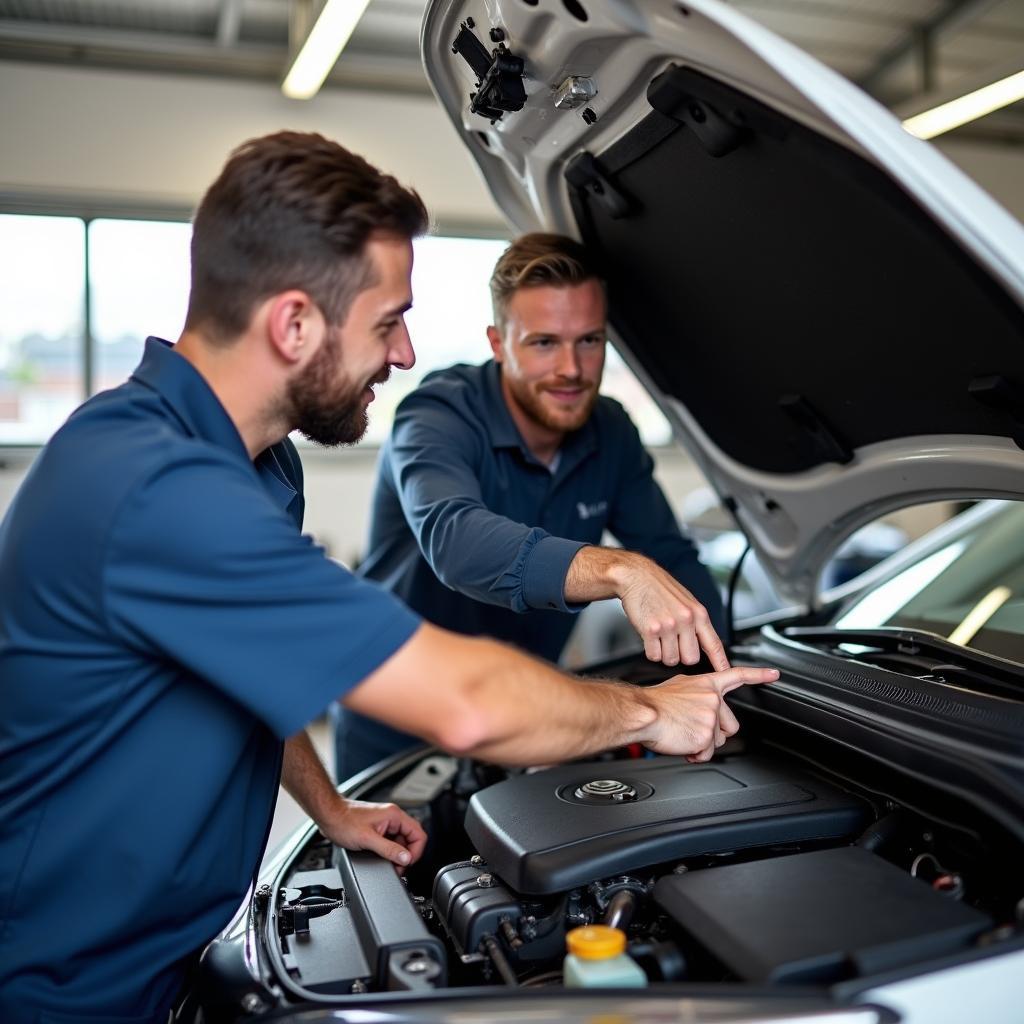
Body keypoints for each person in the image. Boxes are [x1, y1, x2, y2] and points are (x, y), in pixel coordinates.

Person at [0, 132, 776, 1024]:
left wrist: (327, 806)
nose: (405, 353)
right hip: (62, 988)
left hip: (169, 952)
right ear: (294, 324)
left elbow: (249, 665)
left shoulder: (259, 466)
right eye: (386, 321)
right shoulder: (154, 486)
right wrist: (653, 710)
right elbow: (469, 702)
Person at [333, 233, 727, 780]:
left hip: (526, 715)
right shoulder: (438, 413)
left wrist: (722, 668)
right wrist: (620, 570)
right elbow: (456, 541)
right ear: (499, 343)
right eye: (544, 343)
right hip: (398, 721)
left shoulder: (610, 430)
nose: (571, 368)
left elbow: (668, 553)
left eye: (589, 341)